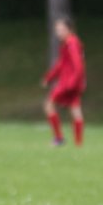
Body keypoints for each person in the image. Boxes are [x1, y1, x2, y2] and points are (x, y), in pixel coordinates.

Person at [42, 16, 86, 147]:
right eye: (57, 30)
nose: (58, 33)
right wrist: (50, 77)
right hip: (74, 82)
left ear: (70, 29)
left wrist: (73, 81)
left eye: (61, 29)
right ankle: (78, 144)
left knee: (49, 105)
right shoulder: (70, 43)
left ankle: (59, 138)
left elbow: (78, 64)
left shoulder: (72, 43)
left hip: (68, 82)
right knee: (76, 111)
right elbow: (62, 64)